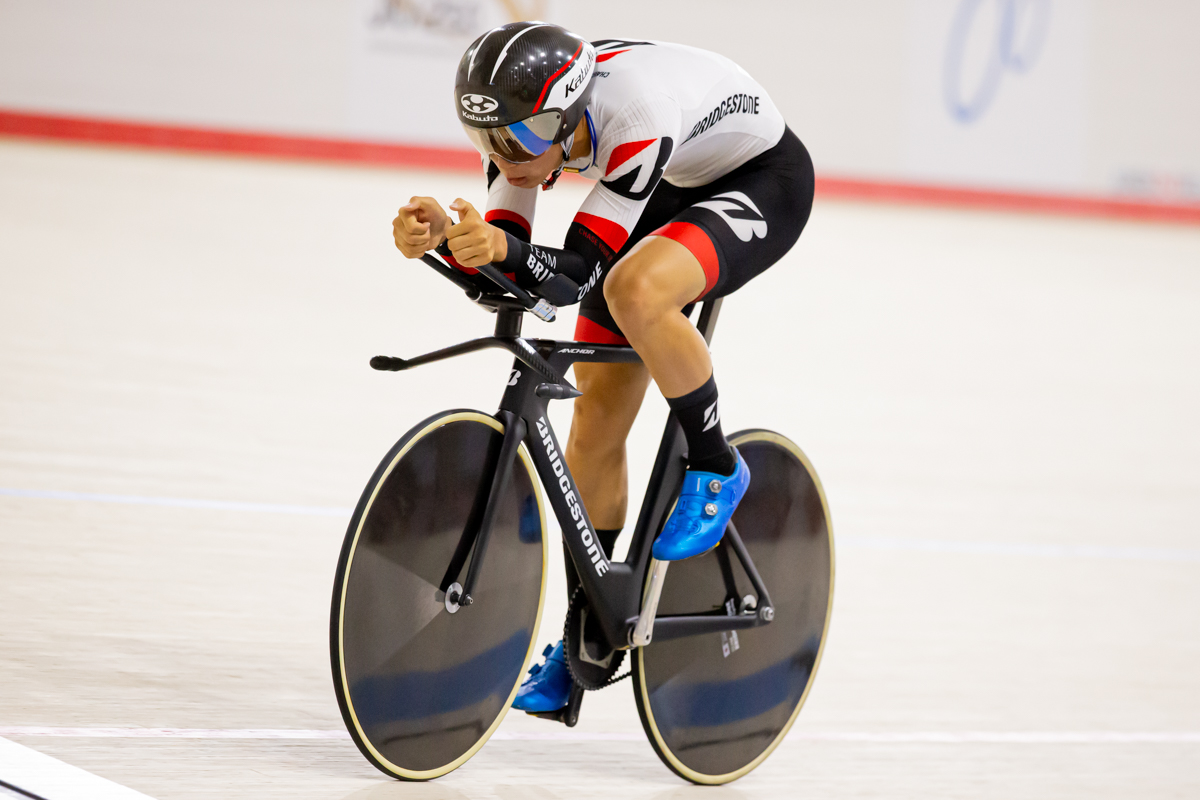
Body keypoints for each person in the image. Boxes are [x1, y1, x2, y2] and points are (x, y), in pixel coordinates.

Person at [392, 22, 814, 713]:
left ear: (566, 114)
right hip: (668, 183)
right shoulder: (521, 131)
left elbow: (575, 275)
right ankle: (588, 629)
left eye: (522, 141)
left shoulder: (635, 115)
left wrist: (501, 250)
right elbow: (514, 276)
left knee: (634, 288)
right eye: (487, 142)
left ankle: (715, 463)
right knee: (594, 426)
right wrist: (447, 241)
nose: (505, 159)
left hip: (760, 179)